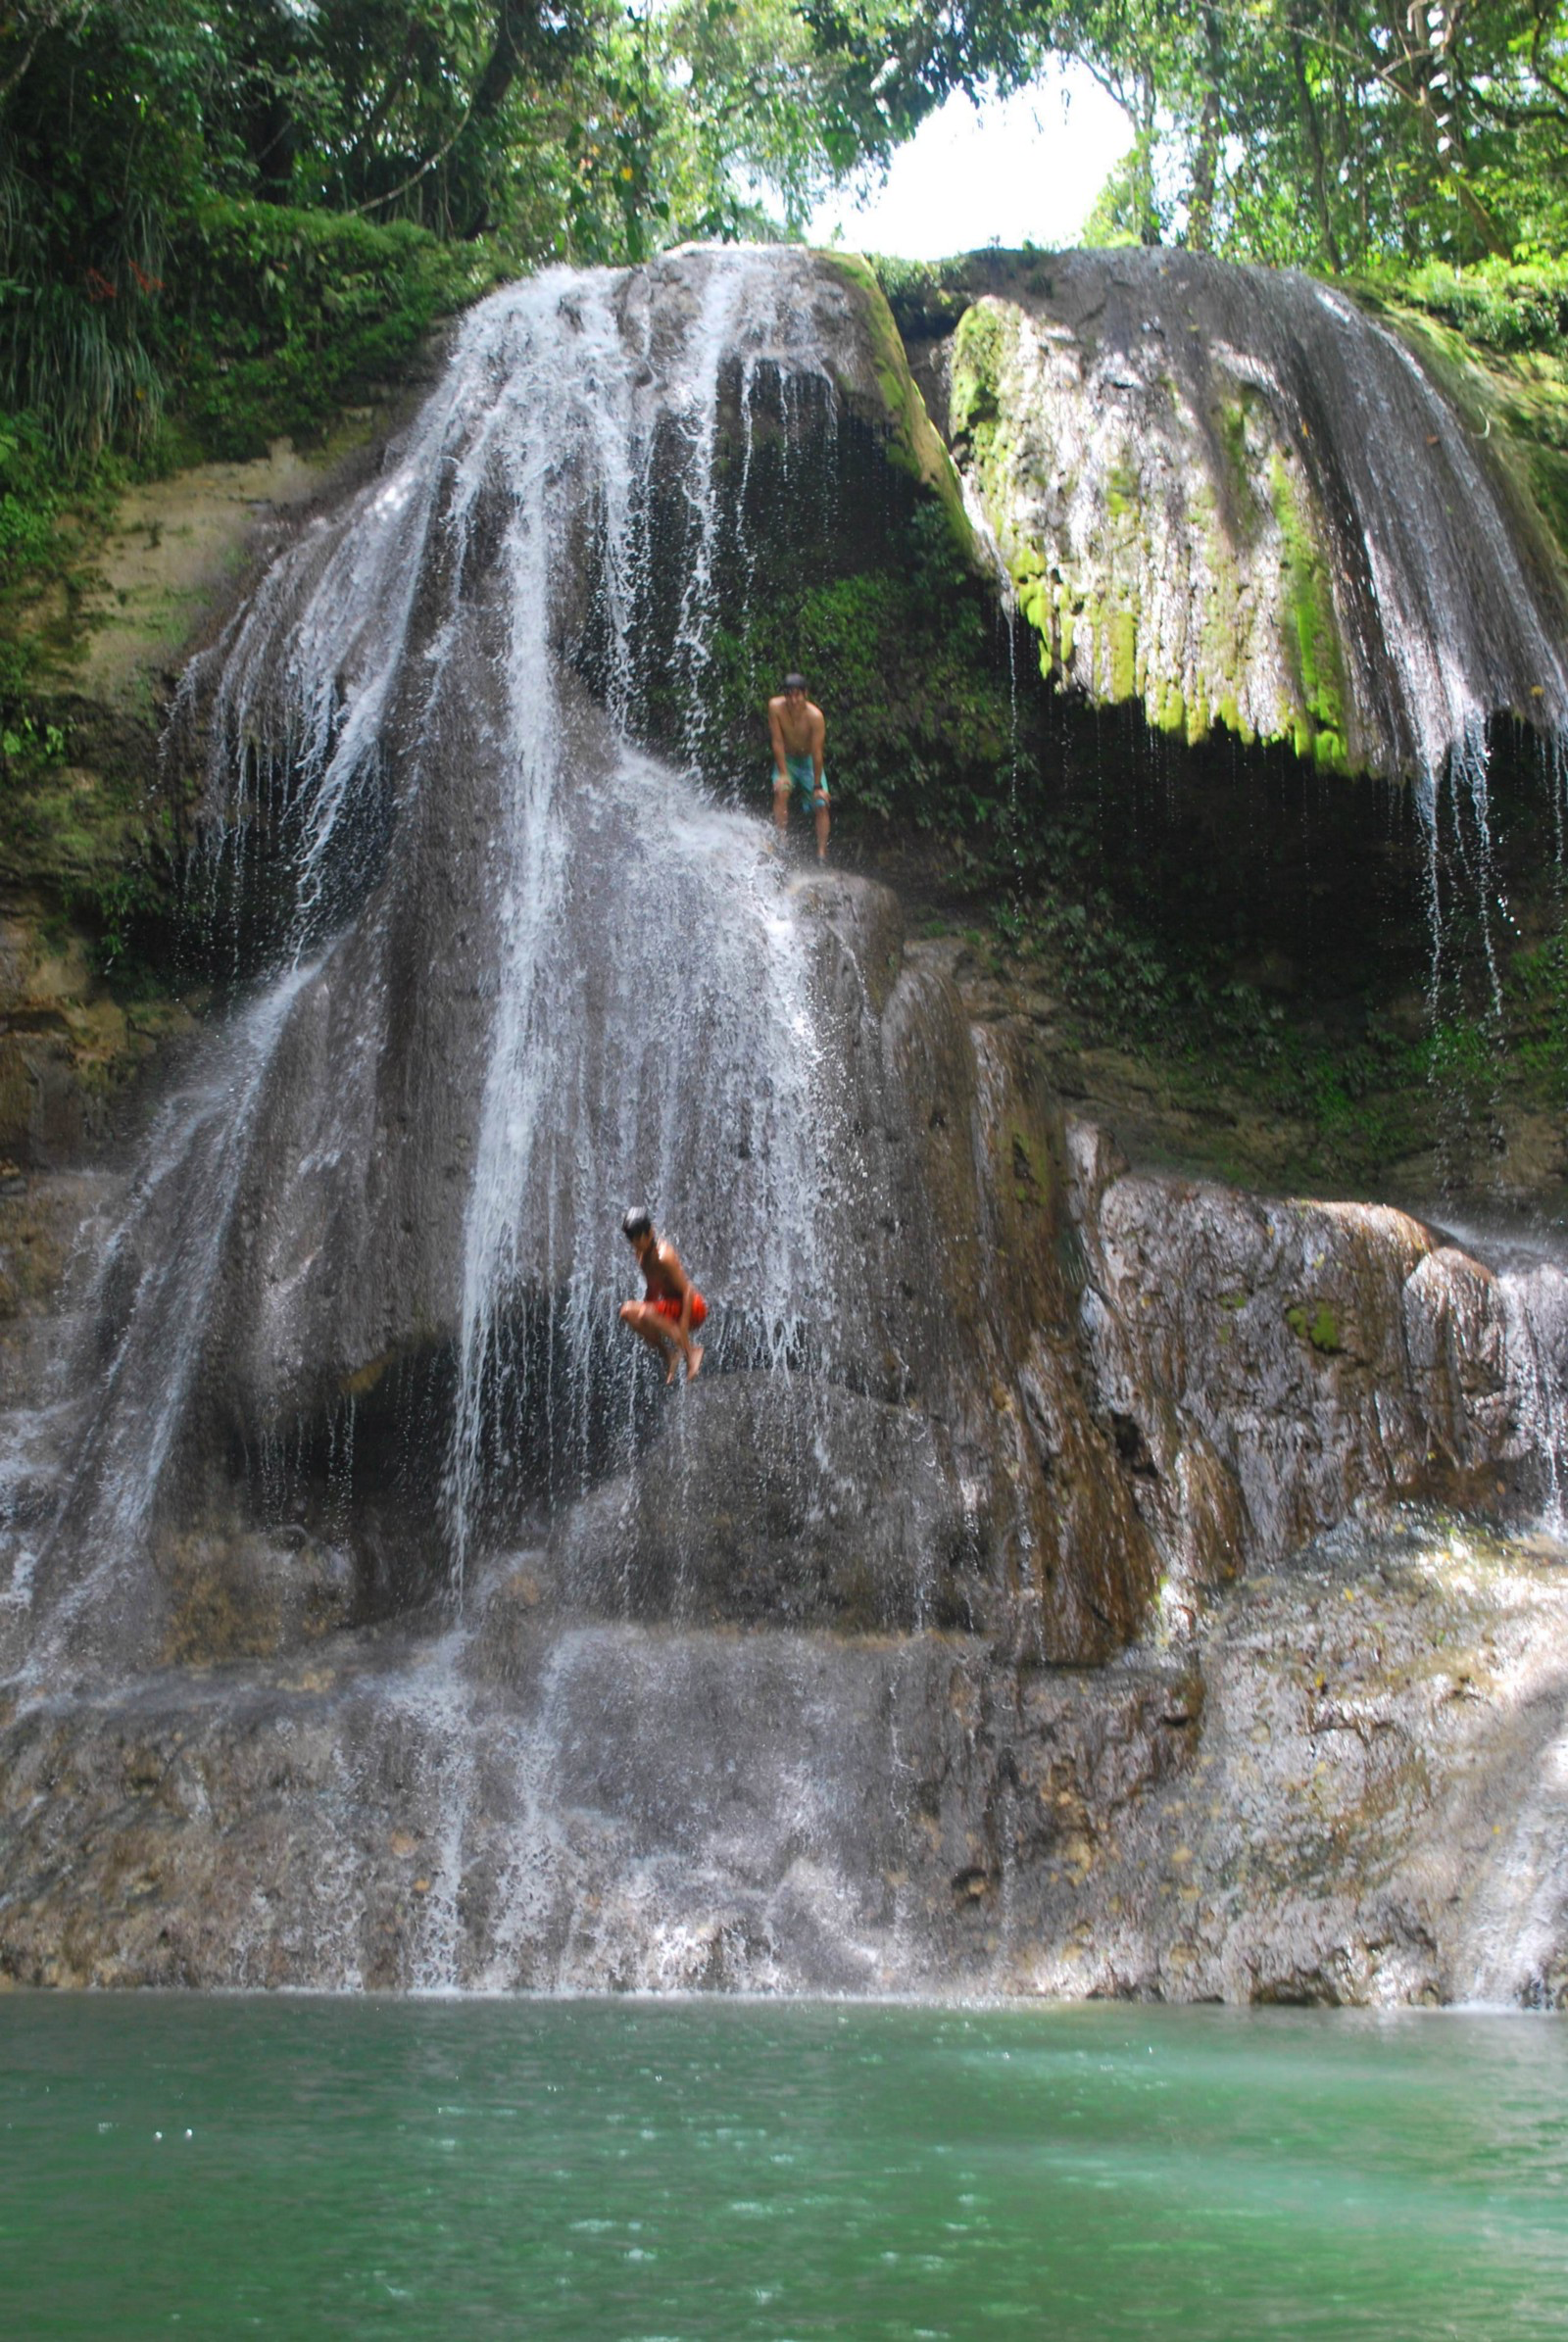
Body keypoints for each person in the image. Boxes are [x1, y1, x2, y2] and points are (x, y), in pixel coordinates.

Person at [619, 1206, 706, 1384]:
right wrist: (645, 1321)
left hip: (693, 1307)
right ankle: (669, 1355)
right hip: (671, 1307)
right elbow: (652, 1290)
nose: (637, 1245)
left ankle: (692, 1352)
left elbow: (687, 1291)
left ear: (650, 1233)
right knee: (627, 1312)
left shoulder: (663, 1255)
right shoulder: (641, 1255)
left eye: (639, 1240)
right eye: (633, 1242)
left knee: (645, 1313)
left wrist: (682, 1324)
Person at [768, 671, 829, 861]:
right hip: (788, 760)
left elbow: (818, 753)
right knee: (782, 791)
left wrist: (818, 786)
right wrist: (783, 774)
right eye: (789, 695)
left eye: (797, 695)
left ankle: (821, 854)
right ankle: (781, 840)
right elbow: (777, 742)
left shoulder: (815, 717)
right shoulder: (775, 707)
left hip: (809, 761)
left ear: (805, 694)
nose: (793, 700)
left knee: (821, 803)